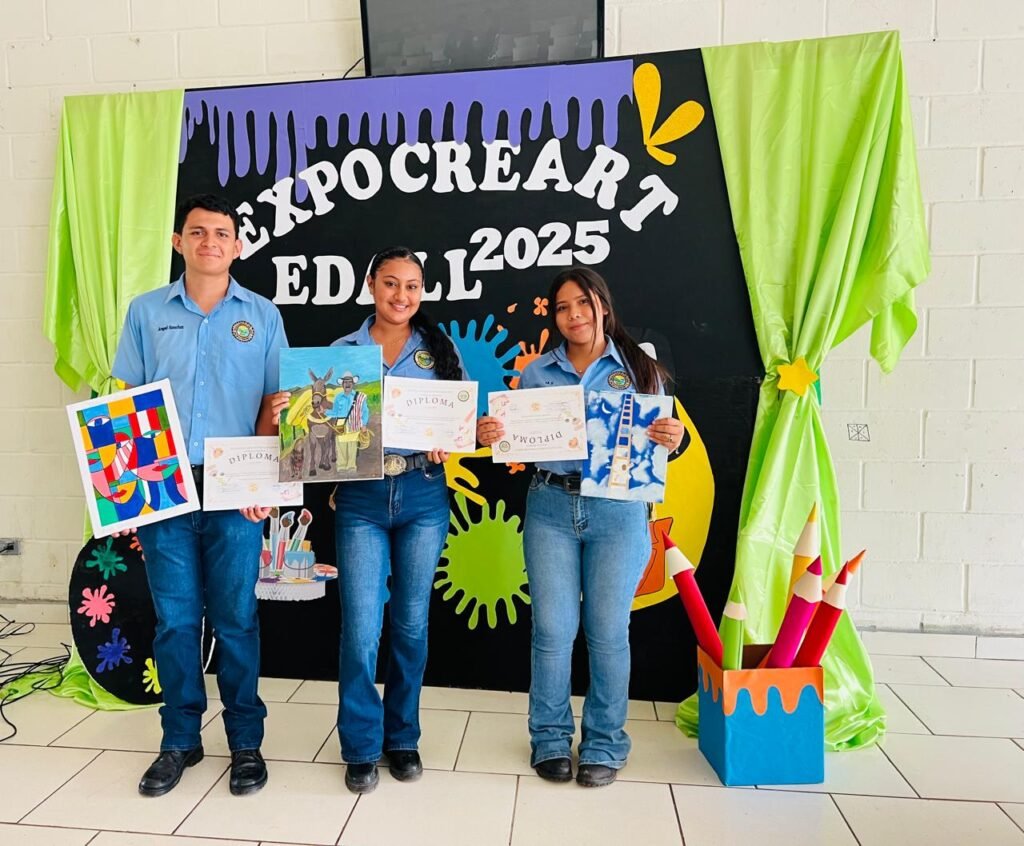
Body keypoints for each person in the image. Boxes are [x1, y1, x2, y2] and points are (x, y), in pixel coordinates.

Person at [476, 267, 684, 788]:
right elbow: (518, 441)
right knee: (551, 631)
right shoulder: (536, 373)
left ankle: (605, 743)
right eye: (564, 307)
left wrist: (673, 437)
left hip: (618, 511)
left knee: (608, 632)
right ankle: (549, 740)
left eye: (584, 304)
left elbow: (666, 439)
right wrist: (495, 432)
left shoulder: (641, 367)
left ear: (603, 306)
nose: (574, 315)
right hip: (550, 506)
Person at [112, 193, 289, 798]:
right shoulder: (145, 312)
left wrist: (263, 482)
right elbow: (126, 401)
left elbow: (276, 407)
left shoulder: (262, 315)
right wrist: (126, 491)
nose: (210, 242)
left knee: (236, 619)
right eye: (197, 232)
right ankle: (180, 739)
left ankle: (245, 743)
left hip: (236, 488)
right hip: (162, 484)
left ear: (237, 245)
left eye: (221, 233)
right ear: (178, 242)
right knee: (176, 620)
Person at [330, 246, 466, 794]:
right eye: (390, 283)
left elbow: (460, 421)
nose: (401, 295)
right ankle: (361, 745)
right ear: (371, 285)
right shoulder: (342, 353)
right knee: (362, 628)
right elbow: (321, 435)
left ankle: (403, 736)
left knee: (411, 624)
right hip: (360, 499)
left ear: (422, 292)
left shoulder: (439, 349)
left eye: (412, 286)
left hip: (422, 494)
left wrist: (448, 441)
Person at [330, 371, 371, 471]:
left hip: (354, 423)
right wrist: (324, 412)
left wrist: (364, 424)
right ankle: (341, 466)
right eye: (345, 382)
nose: (347, 384)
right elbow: (334, 412)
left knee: (352, 446)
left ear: (353, 384)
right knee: (341, 446)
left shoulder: (360, 397)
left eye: (349, 382)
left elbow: (365, 411)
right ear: (342, 384)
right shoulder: (338, 397)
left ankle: (351, 466)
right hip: (341, 424)